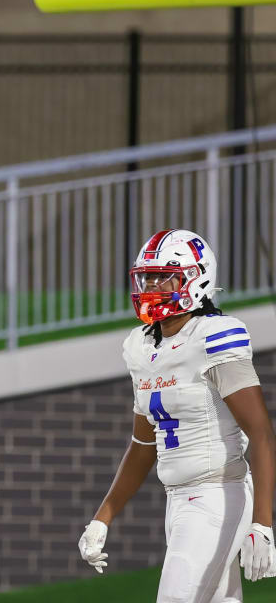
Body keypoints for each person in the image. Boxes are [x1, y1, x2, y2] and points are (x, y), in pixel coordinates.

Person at [78, 229, 276, 602]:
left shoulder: (214, 335)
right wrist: (102, 516)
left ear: (197, 279)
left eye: (163, 275)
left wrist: (263, 523)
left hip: (218, 494)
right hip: (178, 500)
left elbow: (262, 433)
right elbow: (142, 443)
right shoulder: (140, 346)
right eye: (147, 276)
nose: (152, 285)